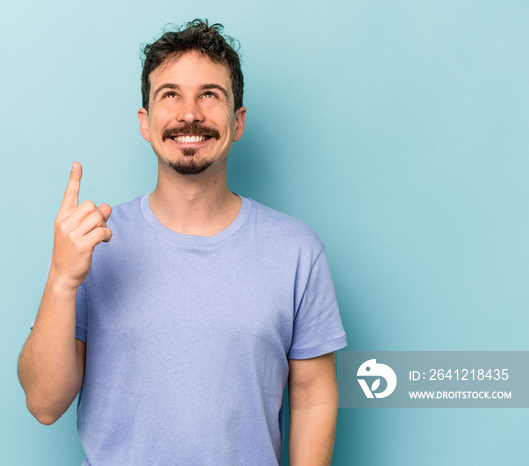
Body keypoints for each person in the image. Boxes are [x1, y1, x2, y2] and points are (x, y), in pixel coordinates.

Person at [17, 19, 347, 465]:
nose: (189, 113)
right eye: (169, 94)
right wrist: (60, 280)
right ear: (146, 122)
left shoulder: (296, 251)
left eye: (210, 94)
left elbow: (312, 397)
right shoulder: (94, 244)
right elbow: (43, 403)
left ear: (238, 120)